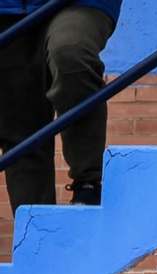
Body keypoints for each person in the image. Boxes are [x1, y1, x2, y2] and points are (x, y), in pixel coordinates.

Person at [0, 0, 119, 209]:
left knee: (71, 52)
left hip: (77, 4)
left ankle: (88, 183)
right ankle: (37, 231)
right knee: (20, 126)